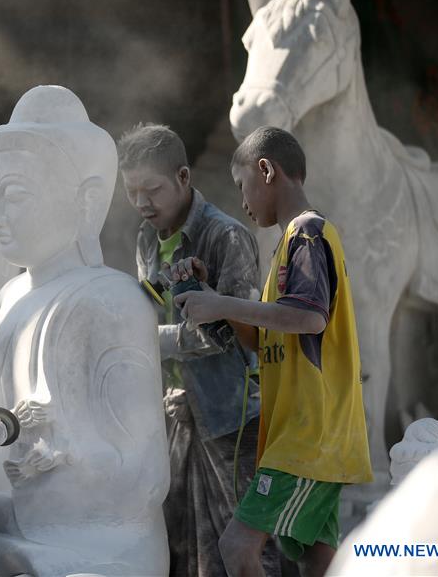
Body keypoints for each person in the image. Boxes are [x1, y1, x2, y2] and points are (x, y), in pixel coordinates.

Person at [171, 126, 373, 577]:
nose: (242, 202)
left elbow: (309, 317)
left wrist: (221, 303)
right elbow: (266, 342)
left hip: (309, 437)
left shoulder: (308, 233)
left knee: (237, 548)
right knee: (318, 563)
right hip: (304, 437)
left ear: (266, 170)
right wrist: (211, 297)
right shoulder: (287, 246)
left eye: (242, 186)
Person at [117, 123, 282, 577]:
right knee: (184, 548)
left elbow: (231, 336)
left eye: (152, 189)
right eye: (132, 192)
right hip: (175, 415)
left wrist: (147, 341)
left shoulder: (225, 236)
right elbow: (149, 311)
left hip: (231, 416)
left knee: (246, 550)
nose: (142, 203)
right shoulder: (146, 239)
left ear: (184, 178)